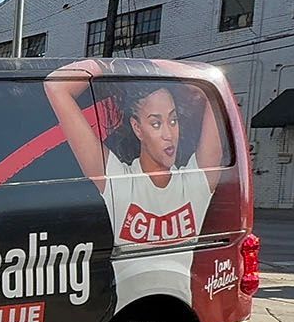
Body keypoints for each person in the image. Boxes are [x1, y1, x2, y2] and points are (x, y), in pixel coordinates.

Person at [45, 63, 225, 304]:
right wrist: (114, 66)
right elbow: (56, 86)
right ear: (137, 128)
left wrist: (161, 67)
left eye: (173, 120)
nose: (169, 134)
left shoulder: (194, 183)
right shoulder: (120, 181)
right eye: (156, 123)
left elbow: (214, 84)